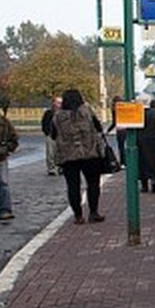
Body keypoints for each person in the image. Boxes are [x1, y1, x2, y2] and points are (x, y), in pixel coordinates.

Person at [53, 89, 106, 224]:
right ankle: (93, 212)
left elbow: (52, 134)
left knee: (73, 186)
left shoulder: (58, 116)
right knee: (93, 183)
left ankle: (78, 215)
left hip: (68, 155)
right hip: (90, 153)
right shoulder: (87, 111)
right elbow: (98, 128)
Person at [137, 95, 155, 193]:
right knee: (154, 162)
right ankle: (154, 181)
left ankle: (144, 185)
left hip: (140, 140)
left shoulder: (137, 113)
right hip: (153, 141)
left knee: (142, 163)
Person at [41, 95, 62, 175]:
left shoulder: (63, 113)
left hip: (61, 136)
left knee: (60, 152)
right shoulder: (49, 113)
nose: (59, 104)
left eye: (60, 103)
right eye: (58, 102)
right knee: (50, 152)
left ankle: (60, 167)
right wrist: (46, 132)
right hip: (50, 135)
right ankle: (51, 168)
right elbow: (44, 123)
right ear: (54, 103)